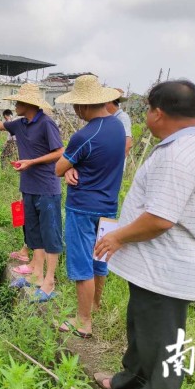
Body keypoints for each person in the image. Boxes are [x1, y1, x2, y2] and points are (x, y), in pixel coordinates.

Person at [93, 80, 195, 389]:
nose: (147, 116)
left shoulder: (178, 156)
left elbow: (160, 219)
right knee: (142, 333)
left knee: (163, 348)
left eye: (148, 109)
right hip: (155, 268)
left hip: (166, 271)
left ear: (158, 113)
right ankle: (126, 384)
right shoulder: (192, 146)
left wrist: (116, 236)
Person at [0, 83, 64, 302]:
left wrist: (32, 161)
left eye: (18, 102)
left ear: (28, 104)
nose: (15, 105)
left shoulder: (46, 124)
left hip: (47, 188)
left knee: (50, 234)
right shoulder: (20, 124)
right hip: (28, 187)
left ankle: (49, 281)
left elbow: (60, 152)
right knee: (33, 232)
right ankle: (37, 274)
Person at [53, 75, 125, 338]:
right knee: (100, 258)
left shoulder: (84, 134)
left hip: (83, 207)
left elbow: (58, 168)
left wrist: (70, 168)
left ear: (82, 106)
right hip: (109, 206)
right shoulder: (118, 127)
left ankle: (83, 321)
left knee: (82, 262)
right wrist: (76, 168)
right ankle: (94, 305)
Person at [105, 88, 133, 157]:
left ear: (109, 101)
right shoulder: (110, 118)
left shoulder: (122, 118)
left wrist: (115, 163)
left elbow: (127, 143)